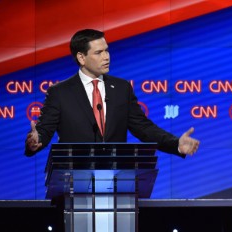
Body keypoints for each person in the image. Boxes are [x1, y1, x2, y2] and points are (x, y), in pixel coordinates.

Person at [25, 29, 199, 157]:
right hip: (73, 177)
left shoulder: (122, 88)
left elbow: (144, 128)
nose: (106, 57)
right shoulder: (60, 92)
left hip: (115, 177)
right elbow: (43, 132)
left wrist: (175, 143)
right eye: (99, 52)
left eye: (107, 50)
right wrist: (35, 141)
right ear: (81, 58)